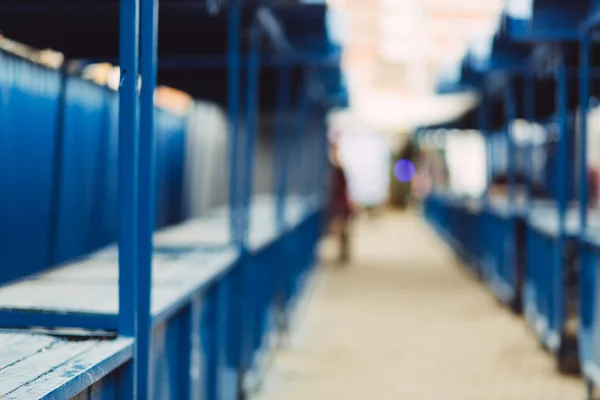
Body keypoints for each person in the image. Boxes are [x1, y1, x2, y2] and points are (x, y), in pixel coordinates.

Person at [328, 138, 354, 264]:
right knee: (342, 231)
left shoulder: (336, 171)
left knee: (342, 231)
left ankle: (344, 255)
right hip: (341, 205)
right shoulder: (337, 170)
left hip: (340, 206)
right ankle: (343, 255)